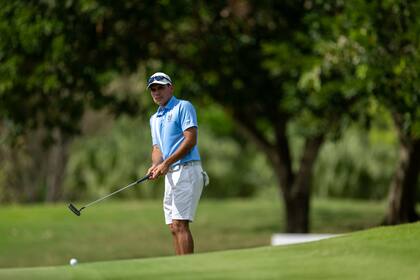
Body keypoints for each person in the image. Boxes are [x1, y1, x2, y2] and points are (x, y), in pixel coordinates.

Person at [146, 72, 208, 255]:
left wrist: (166, 163)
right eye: (153, 90)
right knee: (173, 226)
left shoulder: (183, 107)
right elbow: (157, 148)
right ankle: (180, 268)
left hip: (187, 170)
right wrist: (156, 164)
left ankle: (188, 269)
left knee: (181, 224)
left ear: (170, 87)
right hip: (171, 172)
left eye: (160, 88)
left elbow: (190, 140)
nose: (157, 92)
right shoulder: (154, 118)